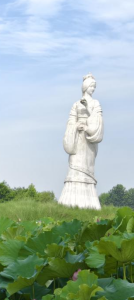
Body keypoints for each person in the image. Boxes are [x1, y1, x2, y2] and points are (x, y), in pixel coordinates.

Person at [58, 73, 104, 209]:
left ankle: (89, 203)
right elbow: (71, 121)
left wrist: (88, 112)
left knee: (87, 167)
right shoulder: (76, 104)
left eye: (94, 87)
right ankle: (70, 201)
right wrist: (76, 125)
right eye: (91, 86)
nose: (93, 89)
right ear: (85, 87)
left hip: (89, 140)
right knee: (74, 166)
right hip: (77, 138)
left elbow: (98, 120)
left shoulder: (95, 103)